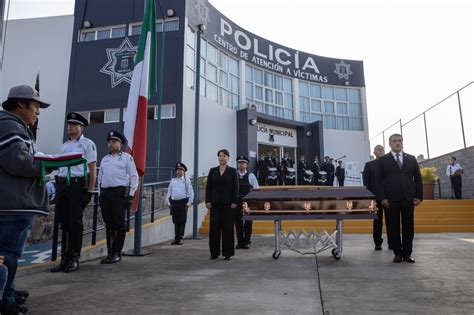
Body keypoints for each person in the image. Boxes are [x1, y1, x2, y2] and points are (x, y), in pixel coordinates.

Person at [0, 85, 50, 314]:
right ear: (21, 103)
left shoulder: (15, 125)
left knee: (8, 255)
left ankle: (8, 291)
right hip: (12, 206)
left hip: (15, 203)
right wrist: (48, 165)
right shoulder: (10, 125)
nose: (37, 114)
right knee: (8, 255)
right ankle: (5, 301)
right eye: (35, 108)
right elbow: (18, 161)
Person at [51, 112, 97, 273]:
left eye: (74, 124)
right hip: (62, 185)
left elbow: (92, 170)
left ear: (81, 127)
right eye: (69, 124)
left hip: (77, 186)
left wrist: (89, 190)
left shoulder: (87, 144)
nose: (70, 127)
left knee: (75, 223)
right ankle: (64, 258)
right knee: (64, 223)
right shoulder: (64, 145)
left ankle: (74, 258)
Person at [376, 134, 422, 263]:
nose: (397, 143)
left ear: (402, 142)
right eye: (394, 141)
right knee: (393, 227)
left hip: (408, 198)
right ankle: (397, 253)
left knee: (408, 227)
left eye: (400, 141)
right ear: (390, 144)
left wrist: (419, 196)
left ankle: (407, 254)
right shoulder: (383, 160)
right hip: (391, 199)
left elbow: (418, 179)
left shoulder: (411, 159)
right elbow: (379, 181)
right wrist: (383, 198)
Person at [97, 131, 138, 263]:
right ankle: (110, 252)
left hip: (119, 194)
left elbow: (134, 177)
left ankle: (117, 252)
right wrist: (100, 194)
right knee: (109, 224)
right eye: (109, 142)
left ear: (120, 144)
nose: (111, 144)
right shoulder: (105, 159)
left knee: (119, 223)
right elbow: (100, 178)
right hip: (105, 193)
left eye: (114, 141)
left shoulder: (127, 157)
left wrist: (131, 195)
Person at [206, 149, 239, 260]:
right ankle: (214, 253)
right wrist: (208, 201)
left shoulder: (232, 171)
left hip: (228, 205)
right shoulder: (212, 171)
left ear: (228, 157)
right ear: (218, 158)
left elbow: (235, 188)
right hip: (215, 204)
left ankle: (228, 253)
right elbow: (208, 187)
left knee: (228, 228)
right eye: (220, 156)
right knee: (214, 229)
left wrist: (234, 201)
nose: (222, 158)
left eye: (224, 156)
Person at [363, 145, 391, 250]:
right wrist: (371, 197)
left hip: (389, 198)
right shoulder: (369, 165)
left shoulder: (390, 165)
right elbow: (367, 183)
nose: (381, 151)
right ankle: (378, 243)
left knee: (391, 222)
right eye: (378, 149)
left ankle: (392, 243)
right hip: (375, 198)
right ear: (374, 153)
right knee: (377, 222)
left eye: (382, 149)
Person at [165, 162, 194, 246]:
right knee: (175, 221)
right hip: (174, 203)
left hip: (183, 202)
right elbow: (169, 192)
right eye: (177, 170)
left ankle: (180, 238)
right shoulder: (173, 181)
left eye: (181, 170)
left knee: (182, 221)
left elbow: (191, 193)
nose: (178, 171)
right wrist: (168, 201)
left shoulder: (186, 181)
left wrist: (189, 203)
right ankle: (176, 238)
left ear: (184, 171)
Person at [235, 156, 259, 249]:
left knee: (248, 222)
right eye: (239, 163)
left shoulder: (251, 175)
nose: (241, 164)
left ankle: (247, 242)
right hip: (236, 201)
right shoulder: (234, 174)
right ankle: (240, 242)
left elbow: (256, 189)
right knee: (238, 222)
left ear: (246, 165)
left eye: (243, 163)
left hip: (247, 201)